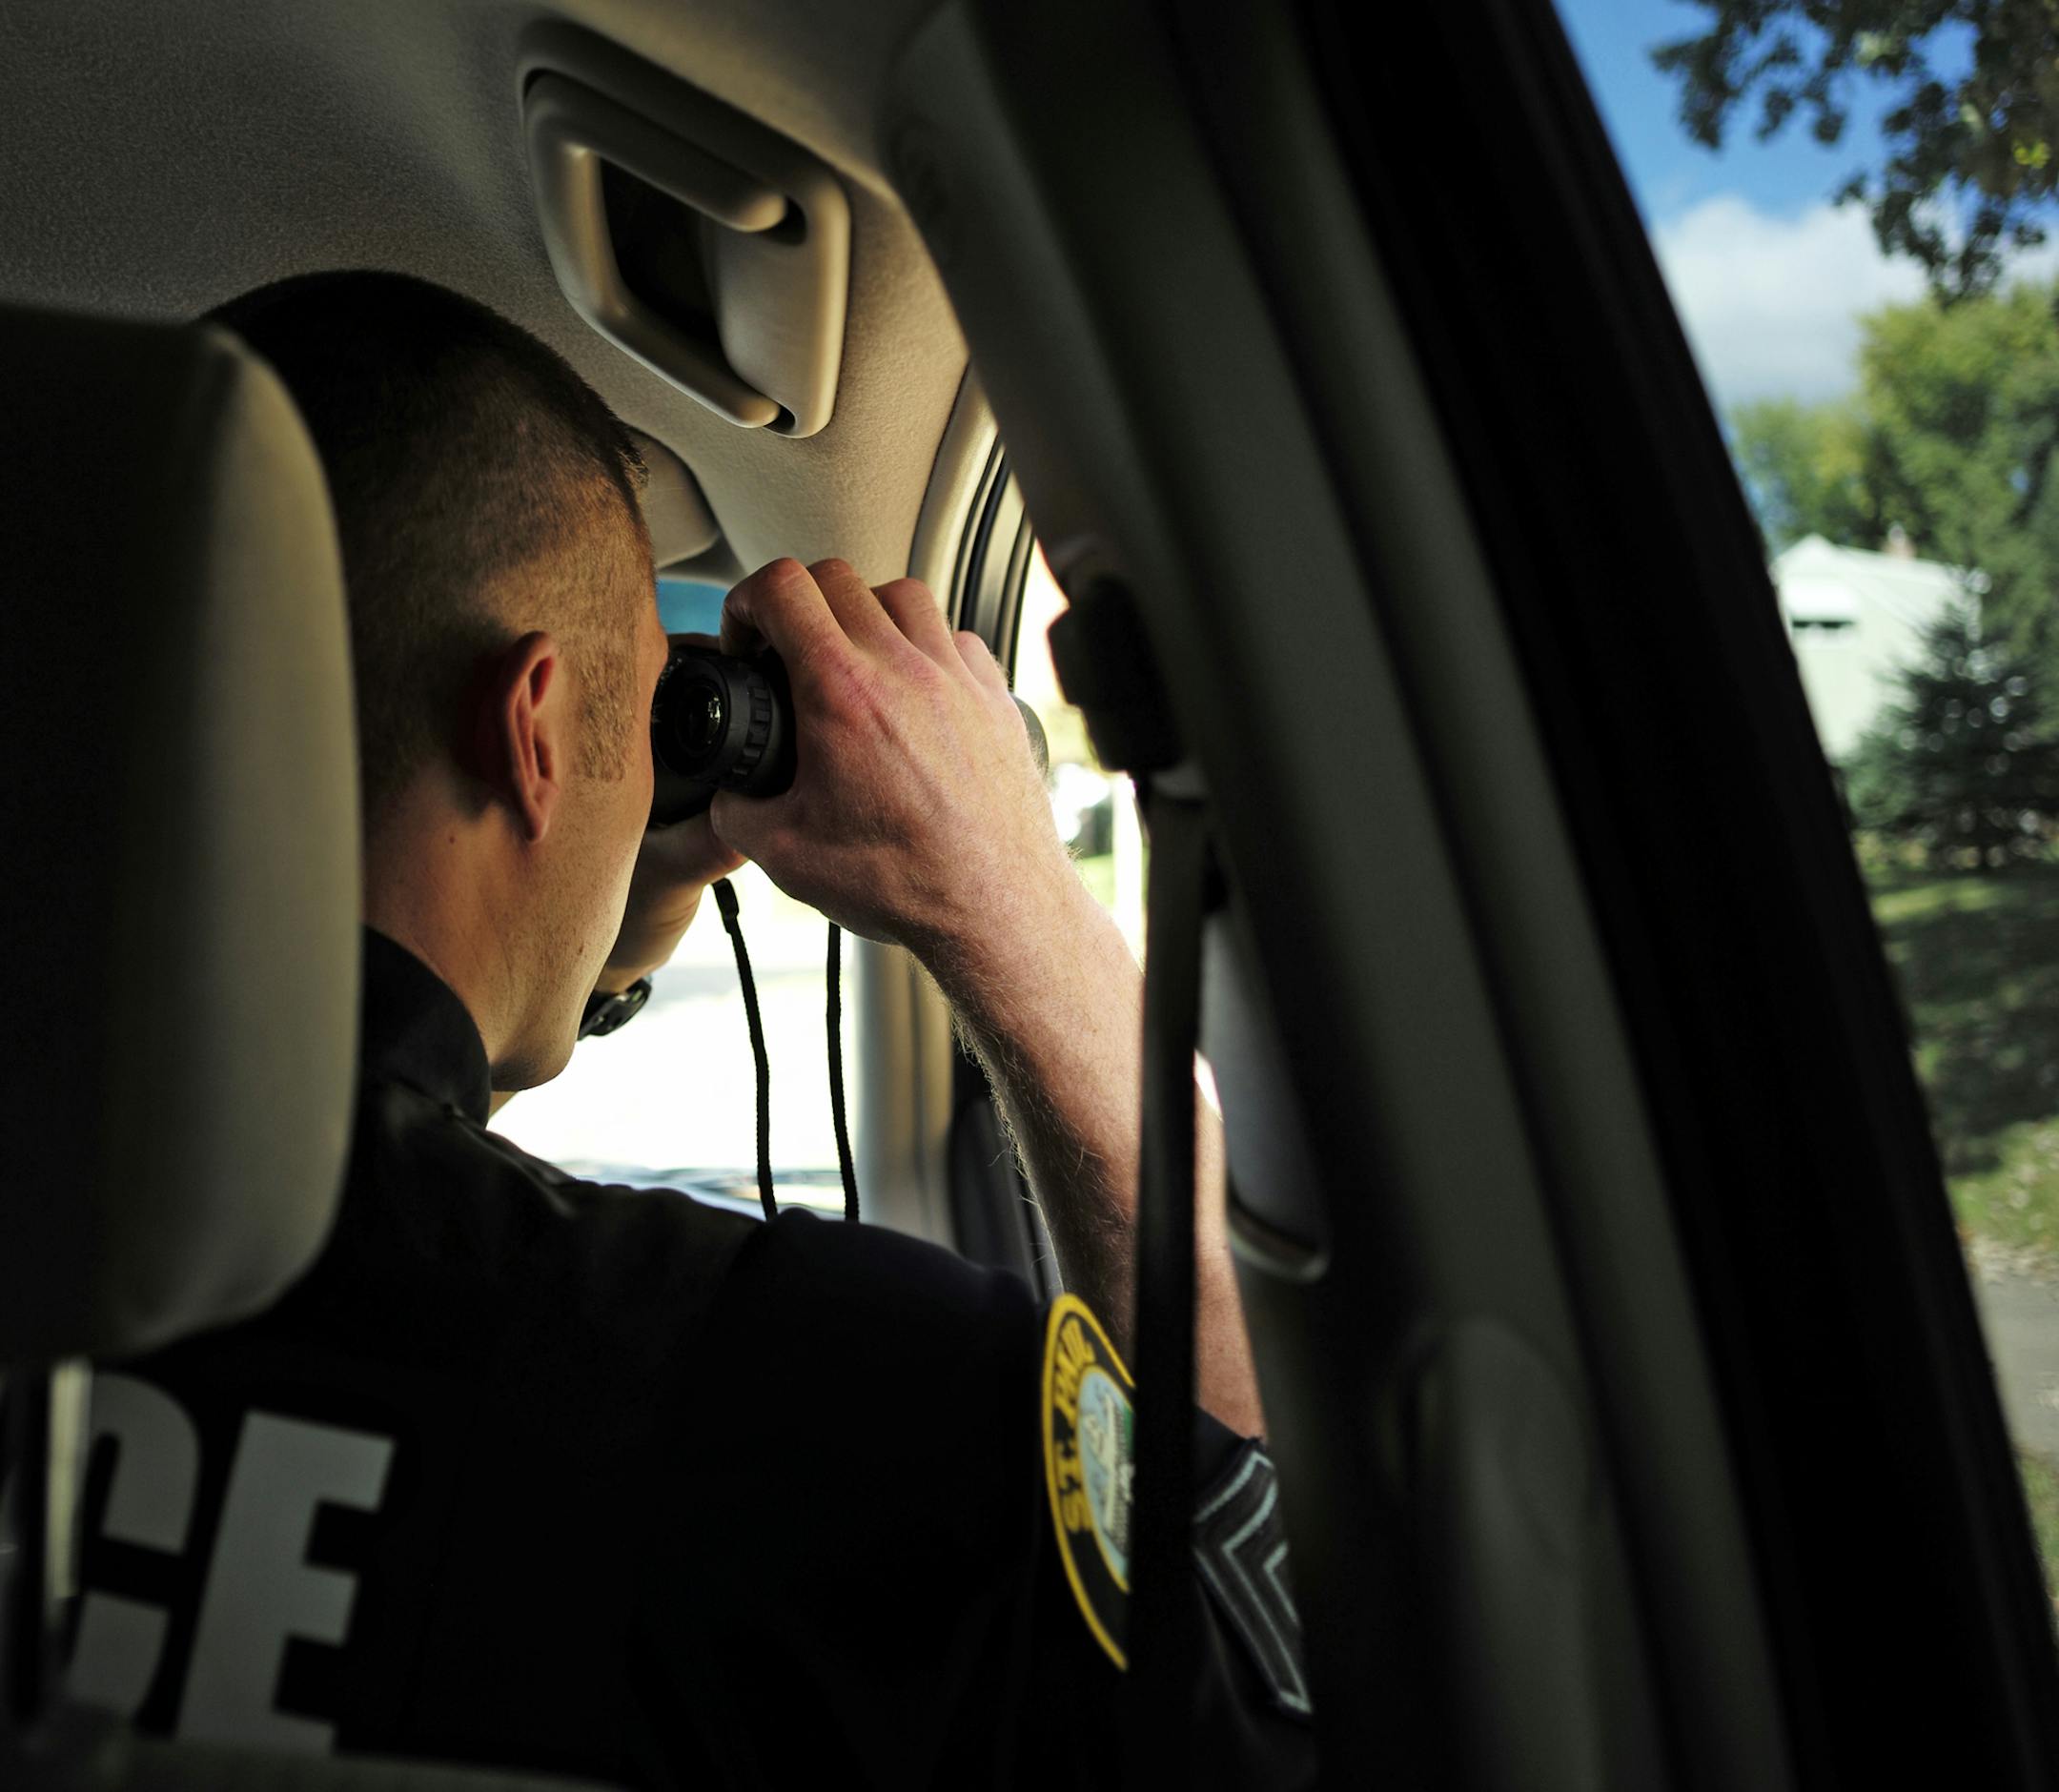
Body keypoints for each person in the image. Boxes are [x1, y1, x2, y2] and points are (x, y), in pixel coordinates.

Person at [71, 271, 1313, 1787]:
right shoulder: (789, 1407)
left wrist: (590, 917)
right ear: (533, 728)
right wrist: (1009, 897)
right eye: (638, 713)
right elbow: (1268, 1653)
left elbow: (339, 1147)